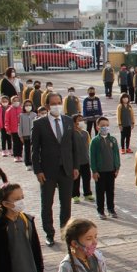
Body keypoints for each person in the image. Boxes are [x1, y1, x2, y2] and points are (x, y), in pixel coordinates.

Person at [31, 93, 80, 247]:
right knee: (47, 203)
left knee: (66, 203)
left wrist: (76, 166)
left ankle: (65, 232)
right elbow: (34, 150)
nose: (56, 105)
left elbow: (74, 146)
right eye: (53, 103)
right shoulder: (39, 124)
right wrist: (38, 170)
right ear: (47, 106)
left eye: (59, 102)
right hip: (48, 171)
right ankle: (49, 233)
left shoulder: (68, 121)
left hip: (66, 169)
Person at [70, 115, 94, 205]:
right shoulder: (71, 133)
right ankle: (75, 195)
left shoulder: (85, 133)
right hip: (76, 161)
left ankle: (87, 193)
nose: (81, 122)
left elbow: (89, 145)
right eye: (79, 120)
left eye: (82, 120)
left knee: (86, 178)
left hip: (85, 160)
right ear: (74, 122)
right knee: (76, 179)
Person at [19, 100, 37, 170]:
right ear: (24, 107)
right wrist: (20, 135)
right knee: (27, 150)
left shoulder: (34, 115)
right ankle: (27, 163)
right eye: (26, 105)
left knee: (34, 150)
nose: (28, 107)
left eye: (29, 105)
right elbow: (19, 126)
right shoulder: (21, 115)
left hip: (33, 135)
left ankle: (34, 163)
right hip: (25, 135)